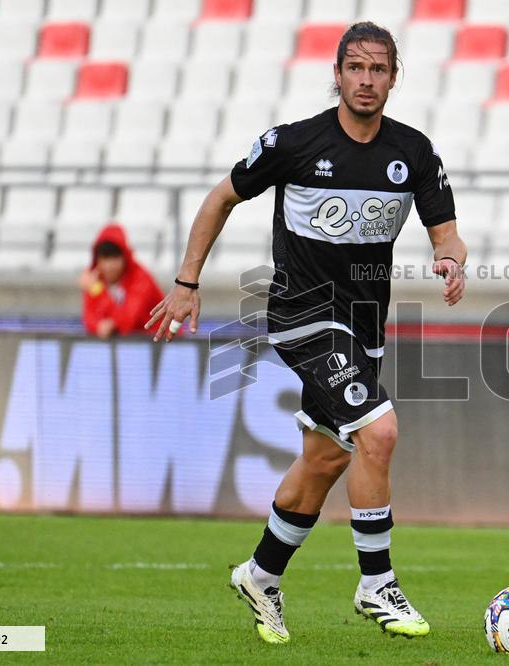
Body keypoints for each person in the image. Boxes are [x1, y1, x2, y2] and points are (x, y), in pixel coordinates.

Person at [145, 22, 467, 644]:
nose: (366, 80)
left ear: (394, 77)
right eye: (356, 68)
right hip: (303, 312)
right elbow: (220, 197)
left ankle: (261, 574)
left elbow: (445, 230)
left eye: (379, 70)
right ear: (338, 73)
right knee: (379, 430)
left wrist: (450, 257)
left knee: (325, 459)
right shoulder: (293, 144)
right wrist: (187, 283)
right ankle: (377, 583)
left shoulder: (416, 153)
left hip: (364, 328)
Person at [81, 223, 164, 339]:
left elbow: (127, 323)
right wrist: (99, 326)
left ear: (125, 257)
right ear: (98, 260)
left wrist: (97, 291)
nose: (110, 265)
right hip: (132, 348)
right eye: (105, 258)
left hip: (163, 344)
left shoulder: (141, 278)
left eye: (115, 257)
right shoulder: (96, 278)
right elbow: (89, 318)